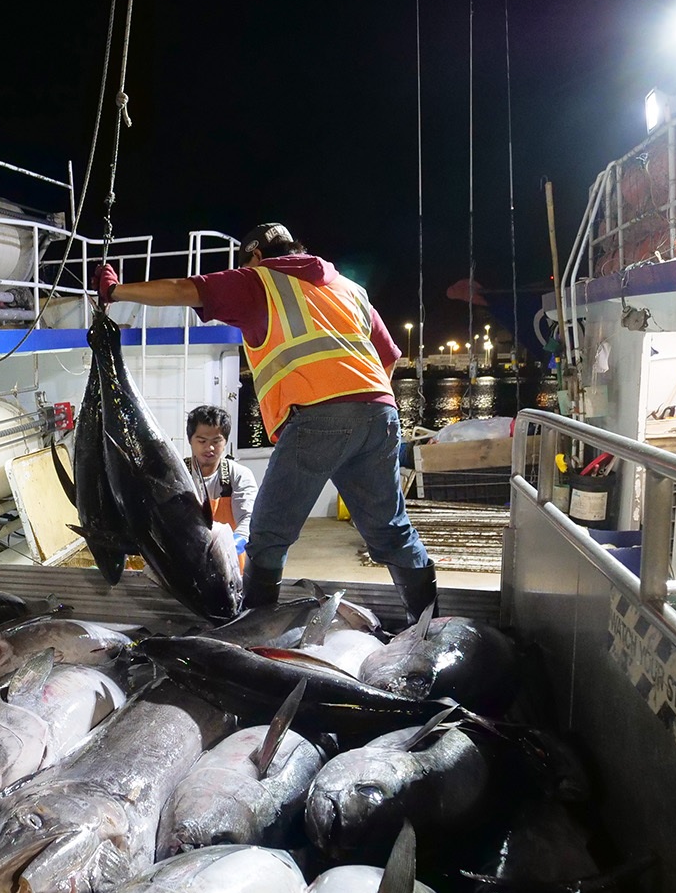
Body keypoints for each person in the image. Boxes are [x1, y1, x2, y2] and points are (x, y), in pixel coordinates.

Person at [96, 222, 437, 619]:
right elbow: (390, 355)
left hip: (316, 419)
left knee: (269, 537)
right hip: (381, 414)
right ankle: (426, 626)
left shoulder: (259, 281)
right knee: (391, 530)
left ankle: (254, 636)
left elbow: (182, 289)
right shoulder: (348, 288)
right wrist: (364, 405)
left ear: (256, 255)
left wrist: (115, 291)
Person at [184, 405, 258, 553]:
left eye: (216, 441)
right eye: (202, 441)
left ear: (225, 442)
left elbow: (249, 519)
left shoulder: (239, 474)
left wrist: (233, 545)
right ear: (190, 440)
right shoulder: (178, 475)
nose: (209, 448)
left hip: (230, 560)